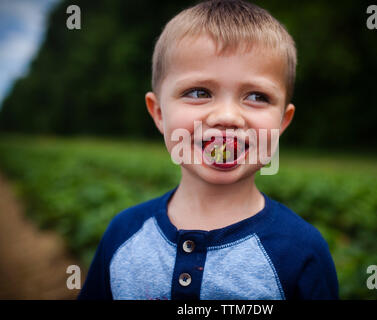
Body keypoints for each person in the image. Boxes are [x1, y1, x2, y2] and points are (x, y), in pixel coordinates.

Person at [78, 0, 338, 300]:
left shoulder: (303, 250)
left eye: (256, 96)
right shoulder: (123, 234)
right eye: (199, 93)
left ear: (282, 121)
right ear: (159, 112)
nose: (227, 117)